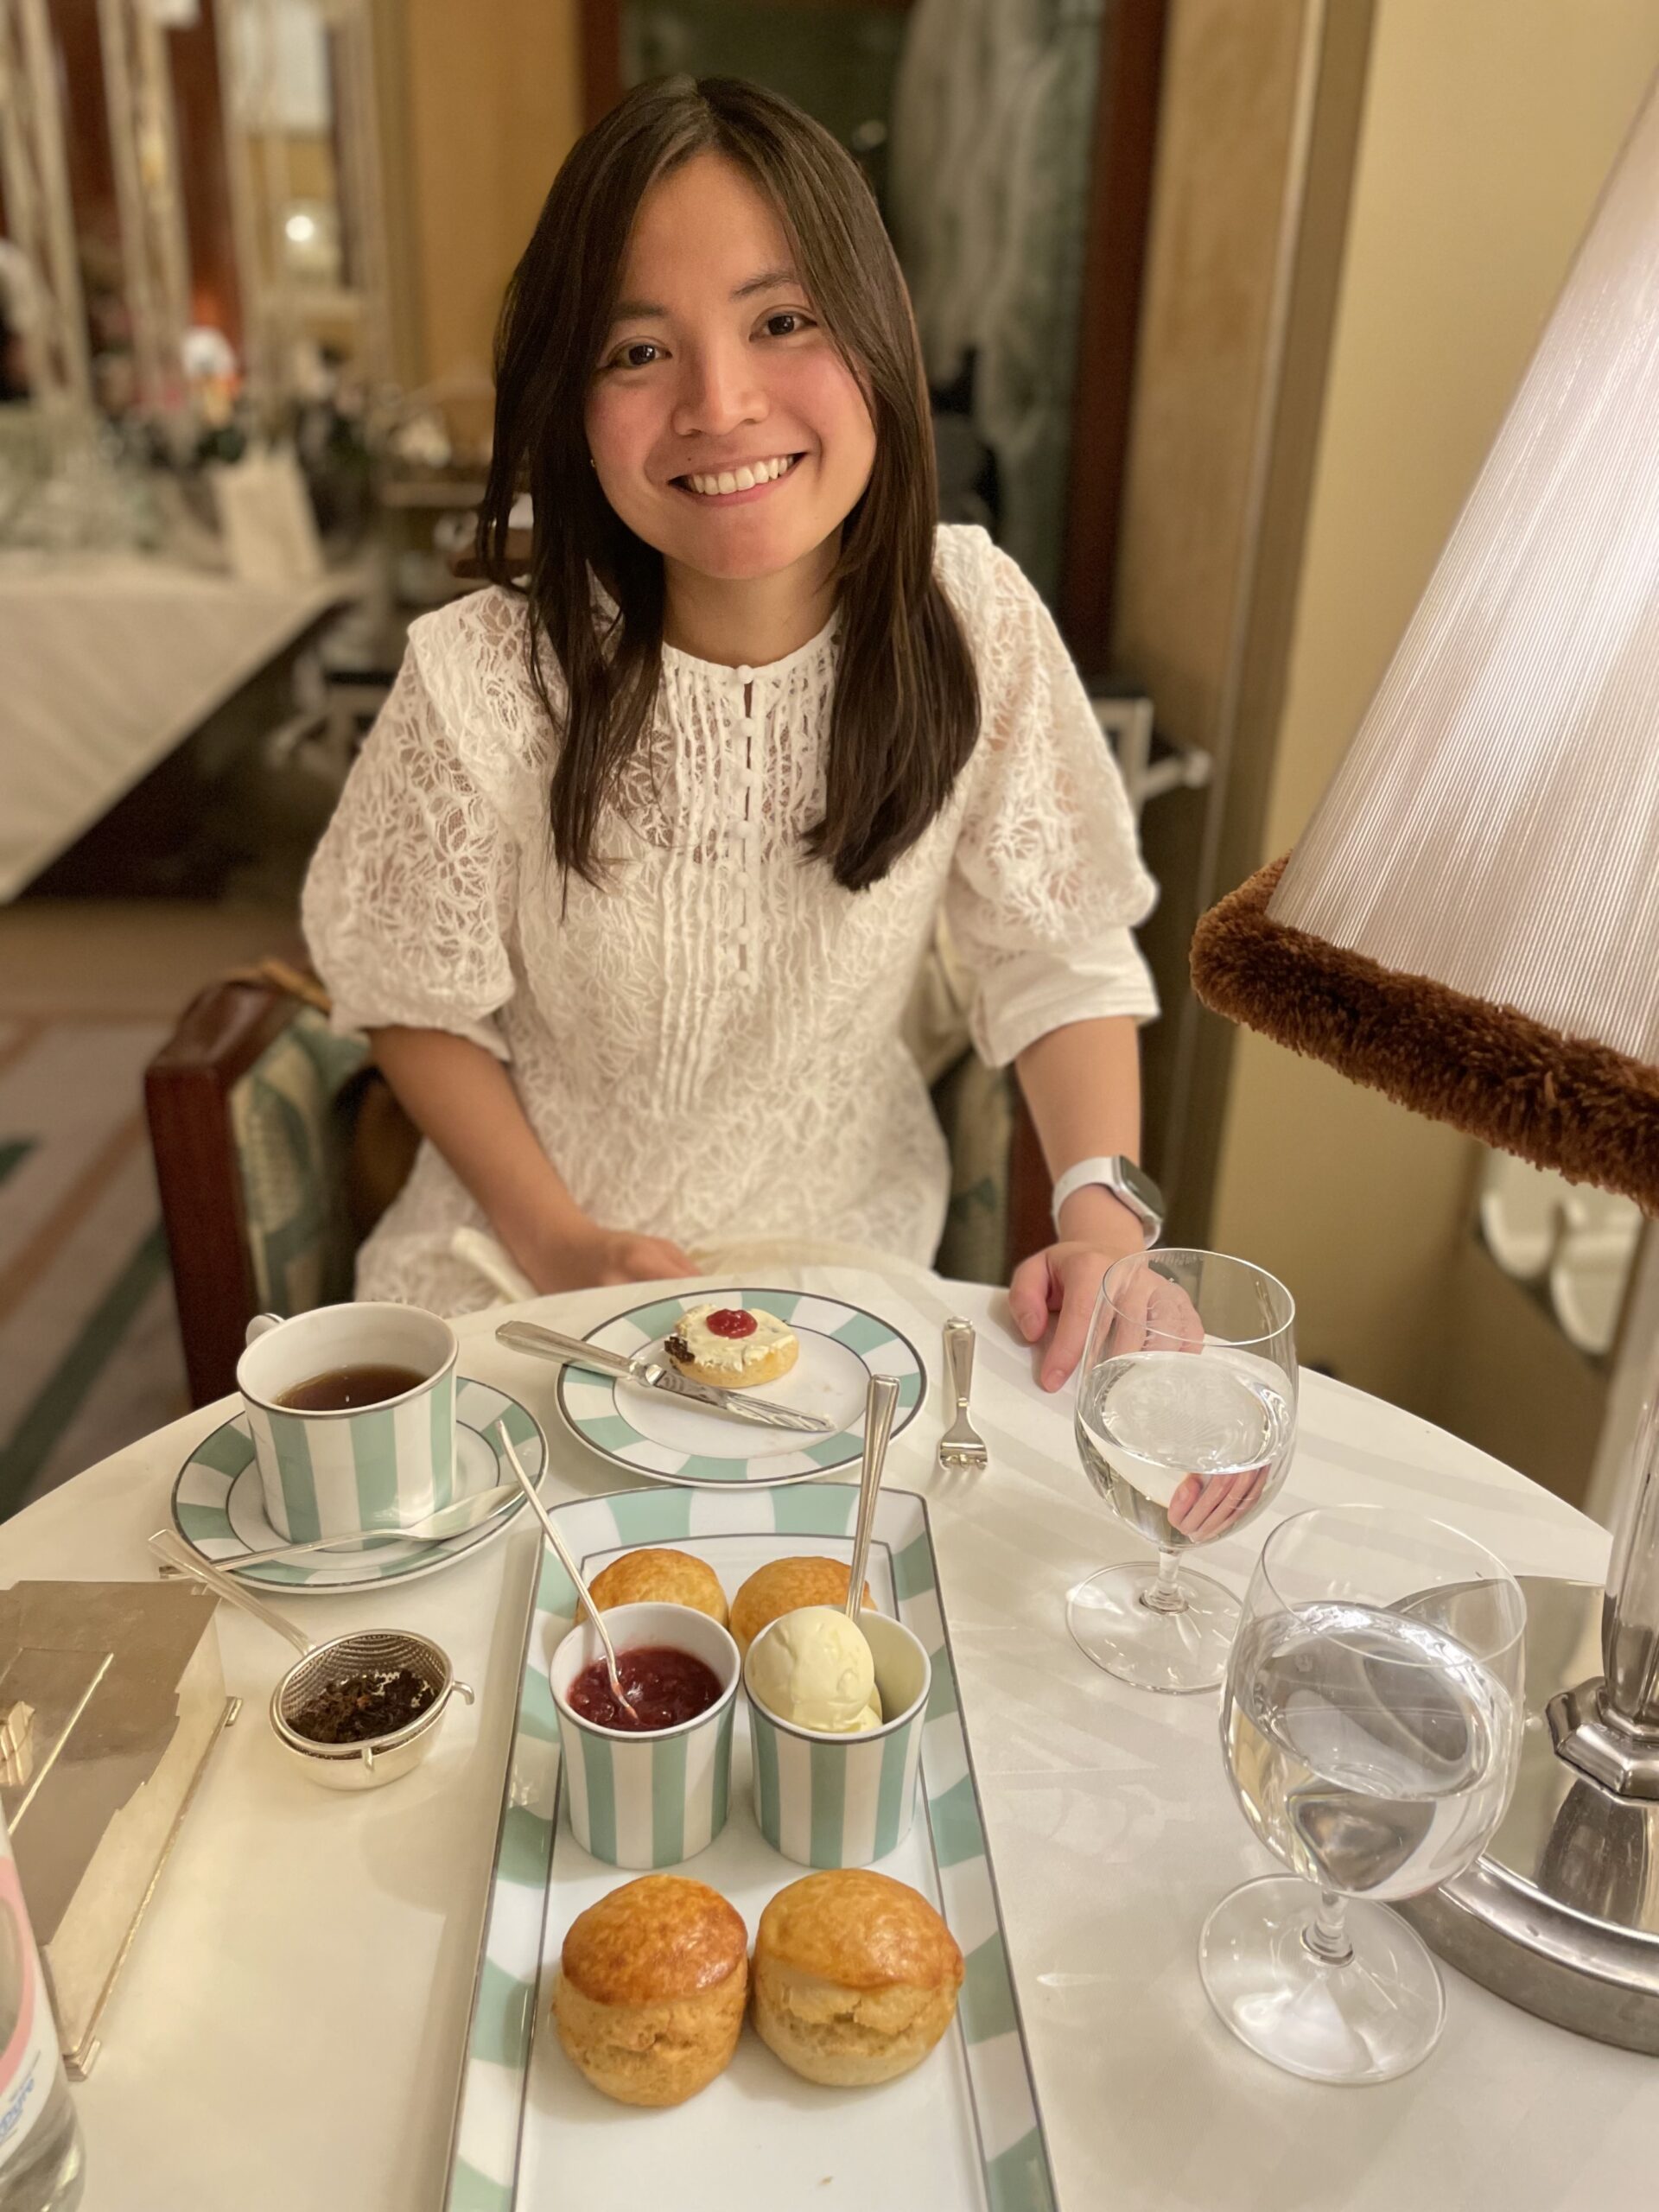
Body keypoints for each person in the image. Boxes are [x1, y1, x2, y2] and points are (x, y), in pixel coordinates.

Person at [303, 74, 1160, 1394]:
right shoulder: (480, 675)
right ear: (572, 401)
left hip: (841, 1285)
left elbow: (1060, 952)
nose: (719, 402)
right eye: (638, 352)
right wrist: (560, 1240)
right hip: (521, 1280)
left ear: (877, 332)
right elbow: (413, 1000)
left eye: (782, 321)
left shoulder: (972, 621)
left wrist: (1104, 1222)